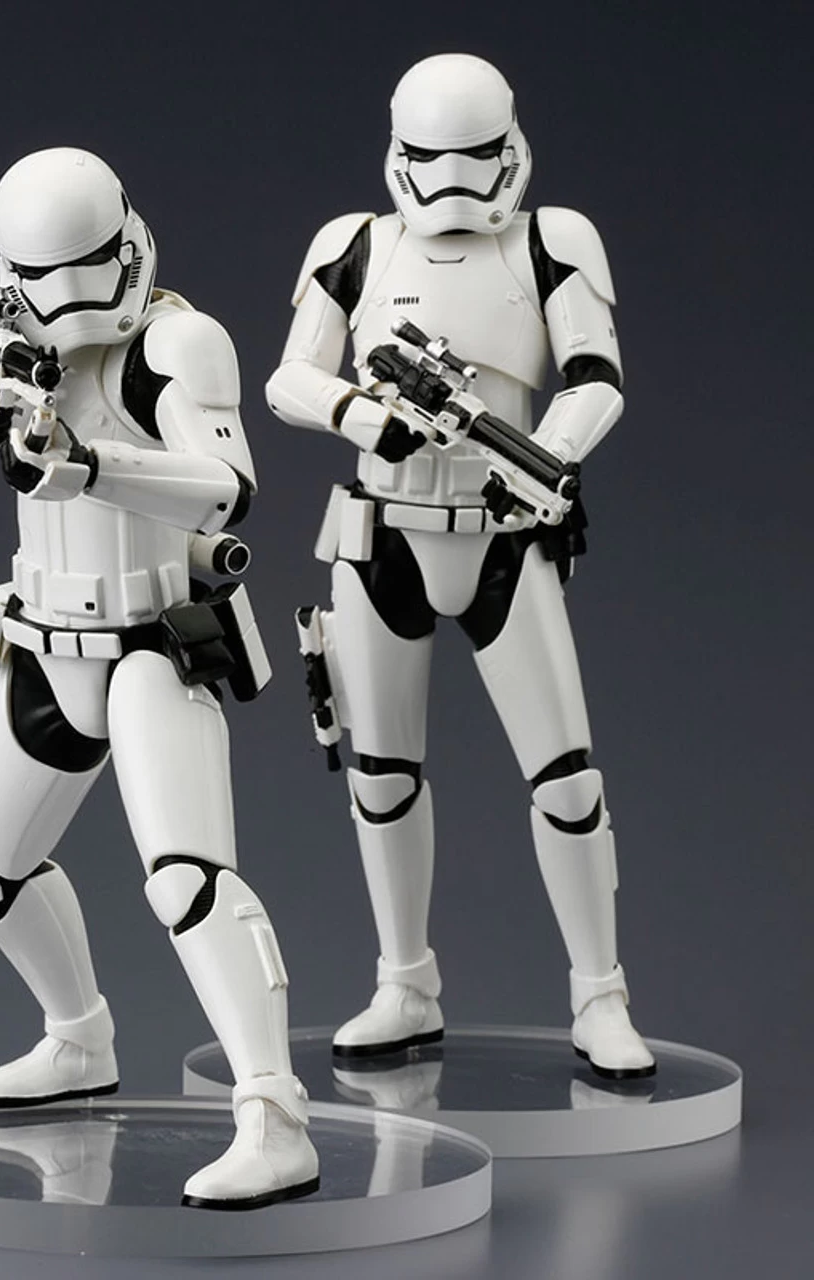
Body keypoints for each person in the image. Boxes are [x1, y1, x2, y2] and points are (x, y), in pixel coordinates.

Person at [0, 147, 319, 1207]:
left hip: (153, 639)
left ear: (126, 243)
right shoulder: (4, 327)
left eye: (86, 269)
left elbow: (225, 487)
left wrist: (86, 464)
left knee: (187, 879)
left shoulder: (176, 341)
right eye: (43, 278)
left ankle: (275, 1113)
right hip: (43, 640)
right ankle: (78, 1038)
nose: (68, 302)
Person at [266, 54, 655, 1079]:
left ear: (509, 147)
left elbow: (596, 376)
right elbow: (290, 377)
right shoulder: (355, 244)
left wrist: (543, 456)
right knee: (380, 774)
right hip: (381, 532)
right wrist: (361, 415)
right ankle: (405, 981)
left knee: (565, 777)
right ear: (399, 151)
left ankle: (600, 993)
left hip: (503, 533)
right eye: (432, 157)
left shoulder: (551, 241)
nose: (451, 182)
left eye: (474, 156)